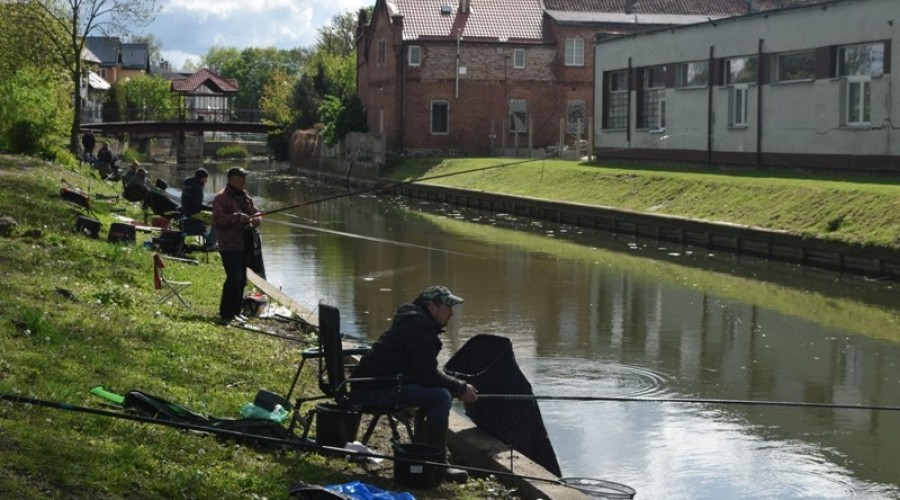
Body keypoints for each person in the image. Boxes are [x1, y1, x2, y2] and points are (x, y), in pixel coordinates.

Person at [349, 285, 478, 483]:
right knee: (441, 397)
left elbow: (424, 373)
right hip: (372, 391)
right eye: (448, 307)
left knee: (436, 392)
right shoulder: (419, 327)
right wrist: (460, 388)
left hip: (371, 385)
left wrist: (452, 385)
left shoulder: (414, 320)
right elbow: (428, 375)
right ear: (432, 306)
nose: (452, 313)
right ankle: (438, 465)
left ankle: (425, 454)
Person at [212, 167, 265, 322]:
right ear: (232, 179)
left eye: (244, 177)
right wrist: (237, 218)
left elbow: (256, 212)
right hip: (229, 245)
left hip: (245, 243)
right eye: (241, 177)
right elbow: (218, 220)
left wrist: (257, 218)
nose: (244, 181)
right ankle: (226, 313)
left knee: (242, 280)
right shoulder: (221, 198)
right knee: (234, 278)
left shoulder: (245, 196)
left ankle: (236, 311)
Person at [181, 168, 216, 250]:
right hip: (194, 214)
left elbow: (192, 202)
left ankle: (208, 237)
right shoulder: (197, 187)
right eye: (206, 178)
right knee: (218, 219)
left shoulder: (188, 184)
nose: (206, 181)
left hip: (186, 211)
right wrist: (213, 208)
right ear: (202, 178)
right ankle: (210, 243)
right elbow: (198, 206)